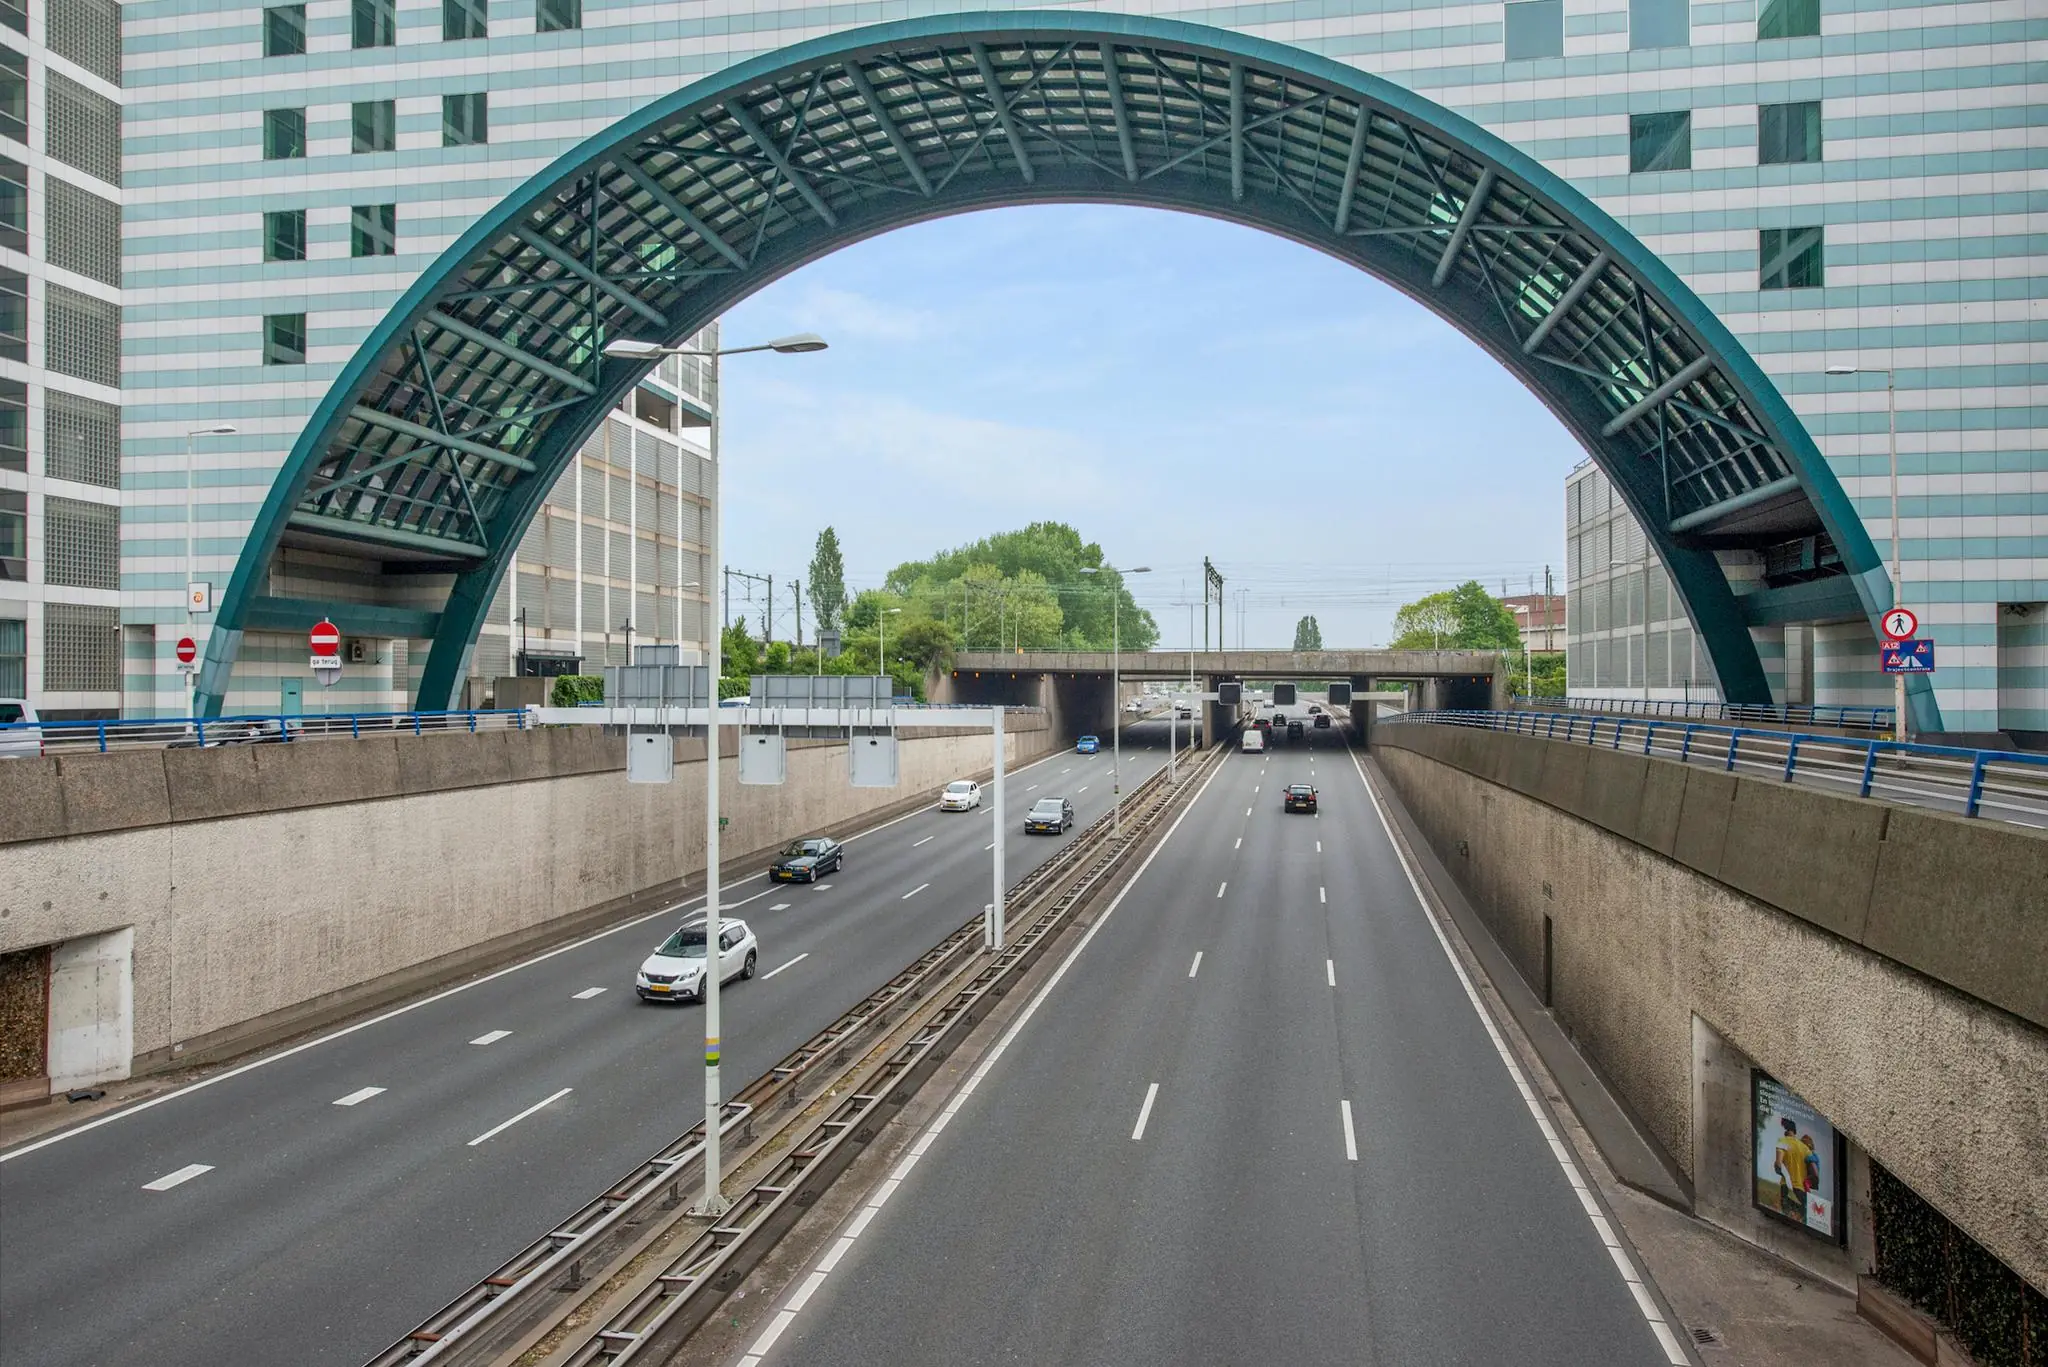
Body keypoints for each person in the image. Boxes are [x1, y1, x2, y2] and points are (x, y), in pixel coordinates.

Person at [1773, 1118, 1813, 1219]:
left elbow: (1778, 1165)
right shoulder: (1806, 1149)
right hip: (1803, 1191)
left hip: (1787, 1187)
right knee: (1802, 1220)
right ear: (1794, 1131)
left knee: (1786, 1219)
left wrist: (1777, 1167)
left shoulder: (1783, 1141)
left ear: (1786, 1130)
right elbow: (1812, 1172)